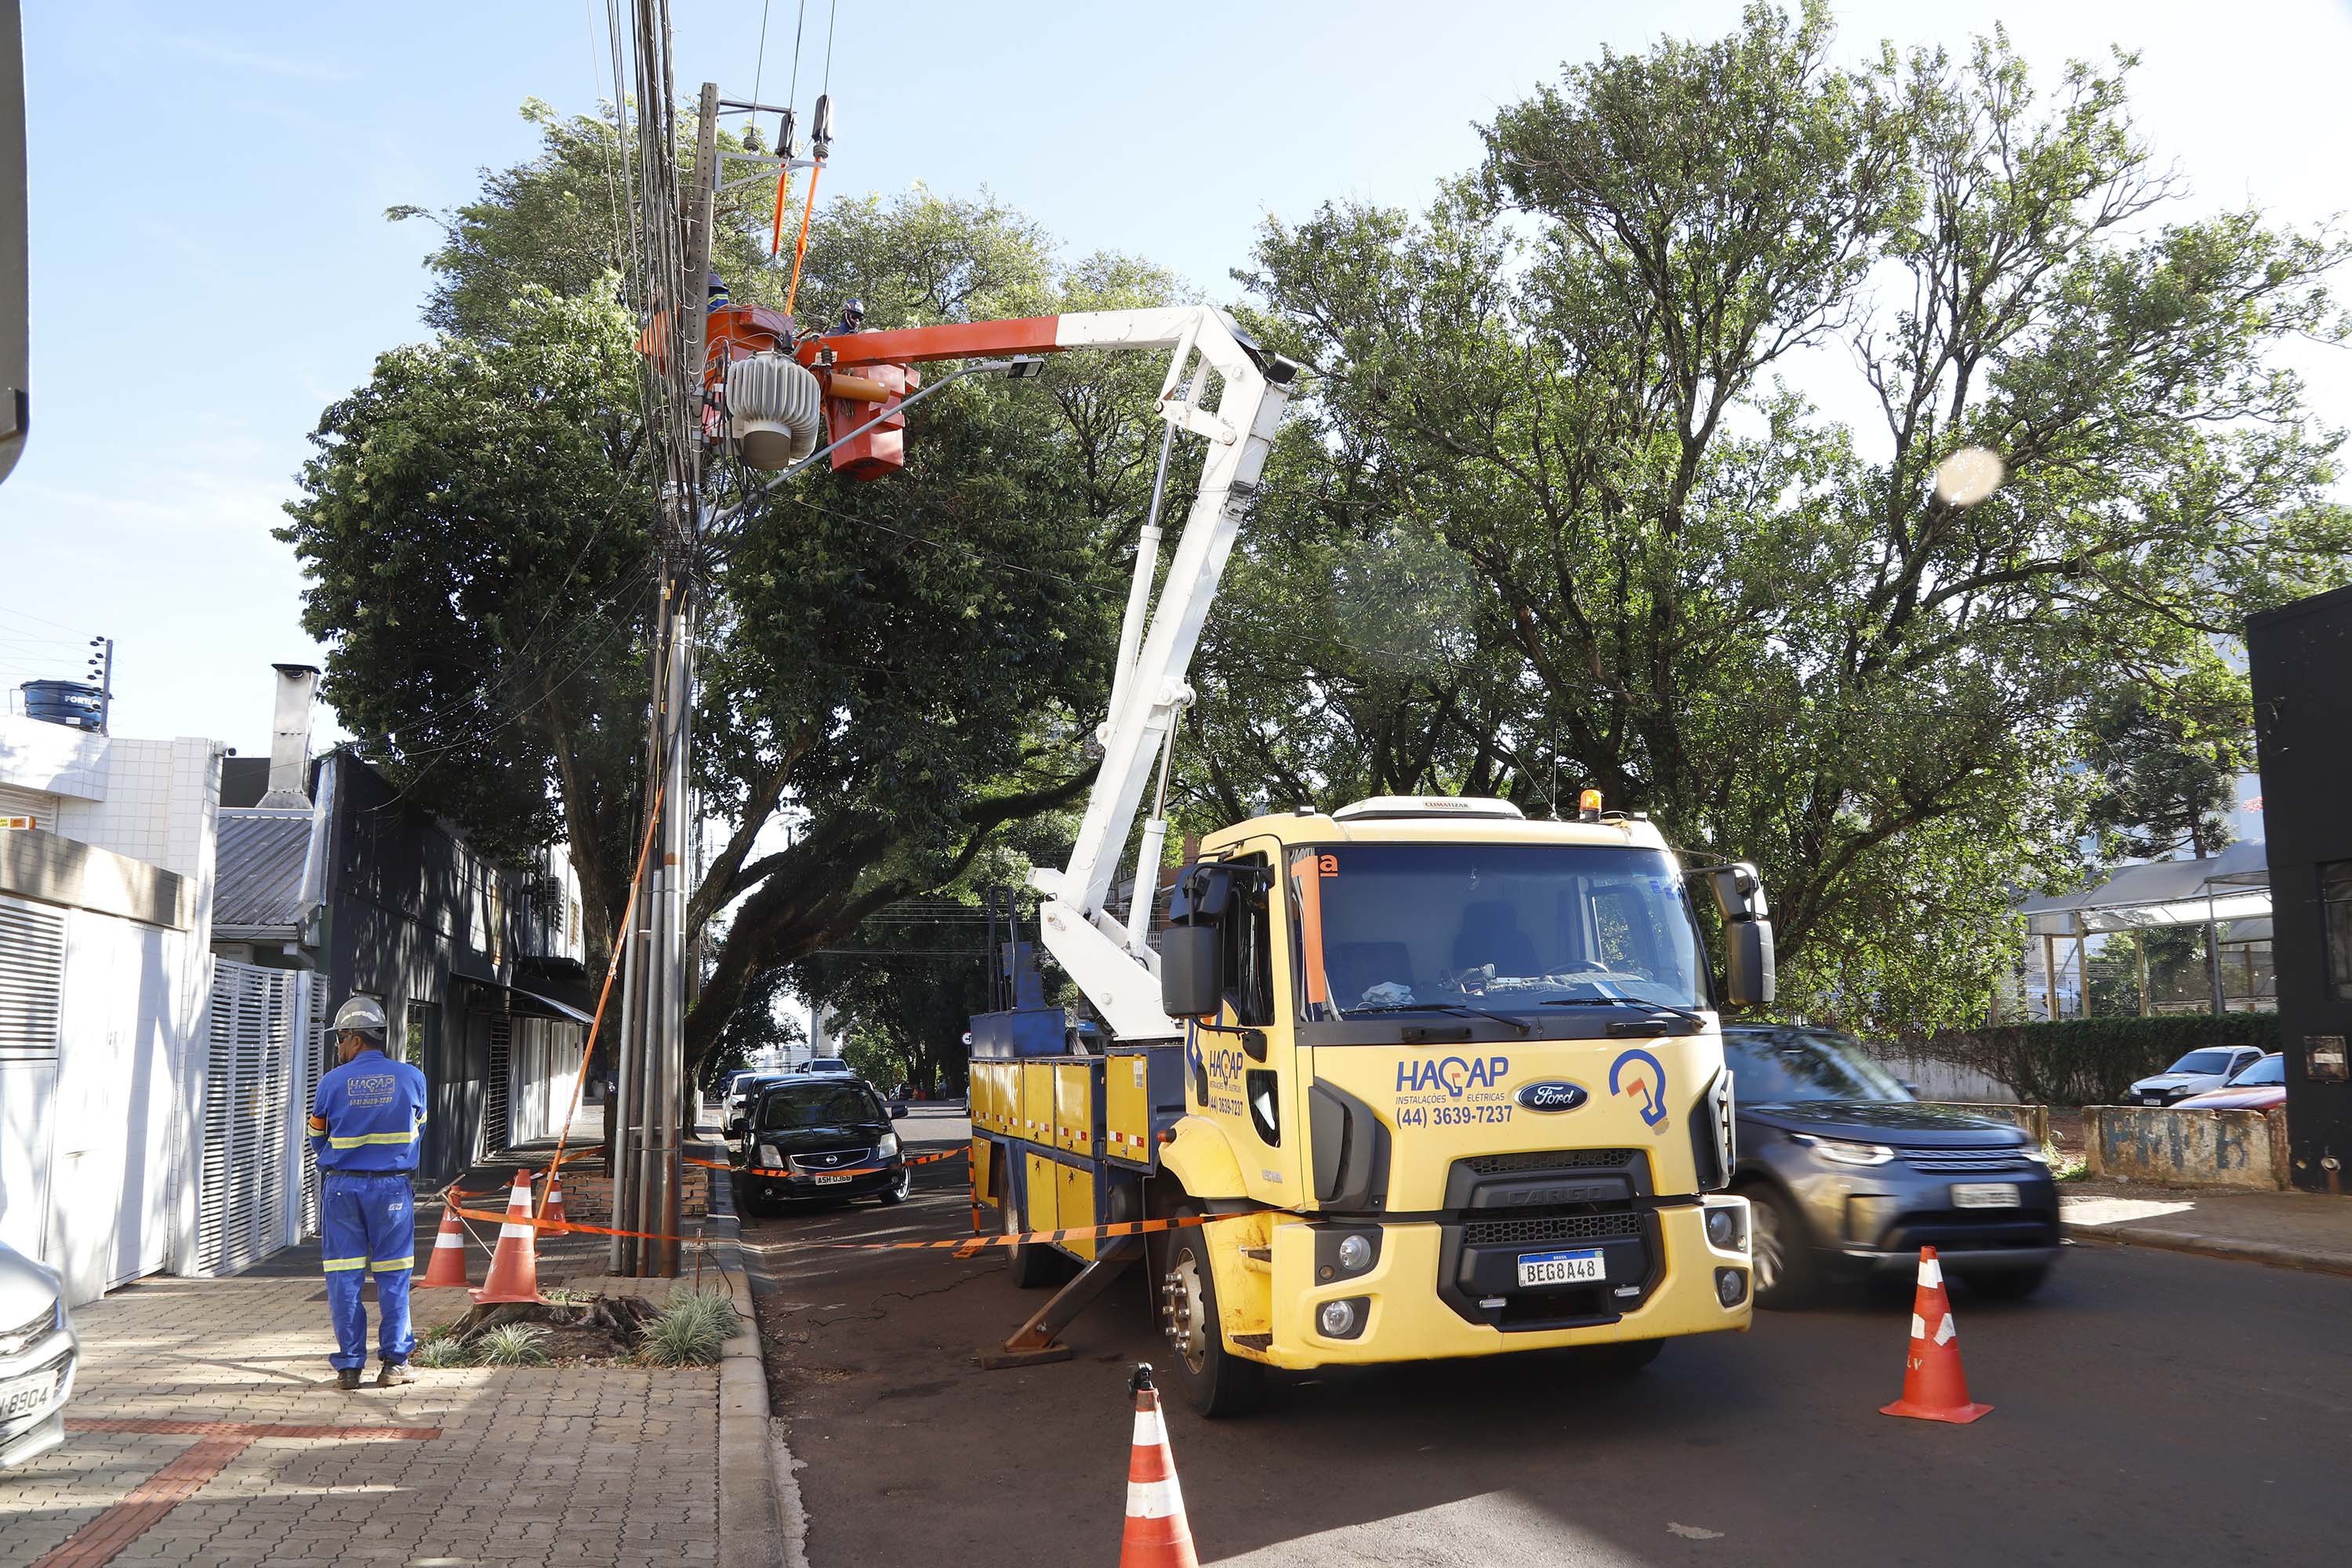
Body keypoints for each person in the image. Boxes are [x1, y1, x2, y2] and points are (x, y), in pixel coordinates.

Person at [307, 996, 428, 1391]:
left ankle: (348, 1368)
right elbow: (419, 1128)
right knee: (394, 1277)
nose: (339, 1048)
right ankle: (395, 1364)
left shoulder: (331, 1082)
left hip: (342, 1189)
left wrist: (341, 1154)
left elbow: (315, 1136)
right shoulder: (412, 1077)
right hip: (392, 1189)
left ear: (356, 1039)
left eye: (341, 1039)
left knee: (344, 1278)